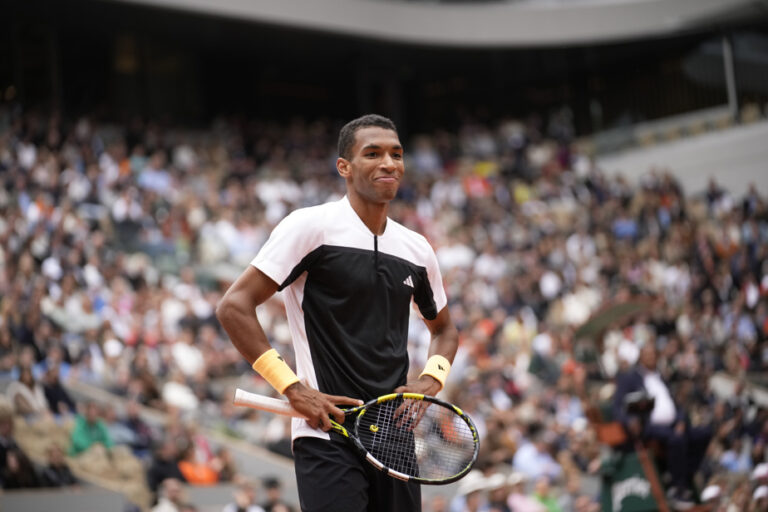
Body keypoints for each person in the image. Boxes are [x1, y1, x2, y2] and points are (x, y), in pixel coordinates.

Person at [216, 114, 459, 512]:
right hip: (327, 432)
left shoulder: (417, 250)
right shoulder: (310, 227)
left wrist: (432, 379)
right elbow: (234, 307)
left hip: (394, 438)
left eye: (396, 154)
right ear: (343, 167)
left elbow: (445, 331)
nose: (388, 163)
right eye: (373, 153)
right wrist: (294, 389)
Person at [612, 343, 712, 507]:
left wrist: (680, 421)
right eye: (647, 354)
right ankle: (677, 489)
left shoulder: (662, 377)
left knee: (704, 433)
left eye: (654, 354)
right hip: (648, 427)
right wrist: (629, 421)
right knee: (676, 439)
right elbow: (618, 408)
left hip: (674, 425)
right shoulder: (630, 378)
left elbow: (677, 405)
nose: (651, 357)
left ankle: (684, 475)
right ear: (641, 357)